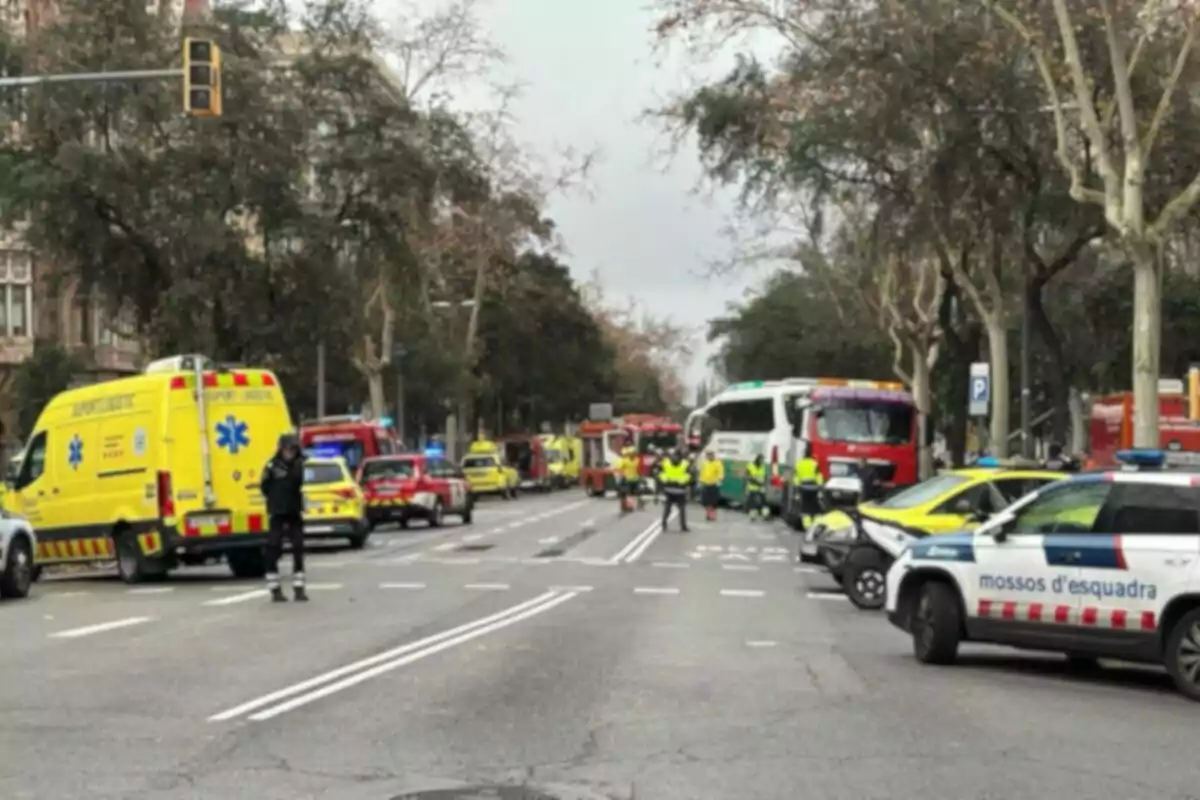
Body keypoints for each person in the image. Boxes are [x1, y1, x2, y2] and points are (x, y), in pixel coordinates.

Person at [261, 432, 307, 603]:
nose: (290, 452)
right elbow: (264, 487)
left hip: (294, 512)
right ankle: (275, 589)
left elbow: (301, 484)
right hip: (278, 512)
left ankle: (299, 589)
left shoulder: (300, 464)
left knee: (298, 547)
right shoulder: (272, 466)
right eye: (288, 449)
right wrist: (275, 501)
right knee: (273, 548)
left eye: (293, 449)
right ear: (281, 449)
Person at [658, 447, 691, 532]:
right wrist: (665, 480)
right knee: (668, 508)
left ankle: (682, 526)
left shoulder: (685, 464)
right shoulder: (666, 463)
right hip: (670, 489)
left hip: (679, 490)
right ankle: (664, 523)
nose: (674, 458)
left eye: (676, 456)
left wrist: (683, 482)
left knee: (681, 509)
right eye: (673, 456)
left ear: (680, 457)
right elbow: (660, 473)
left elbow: (689, 475)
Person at [793, 442, 824, 530]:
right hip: (814, 489)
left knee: (805, 508)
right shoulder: (814, 463)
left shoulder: (799, 464)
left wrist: (797, 492)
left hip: (803, 489)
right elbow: (819, 477)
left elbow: (796, 479)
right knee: (816, 508)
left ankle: (807, 527)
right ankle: (816, 526)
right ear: (811, 455)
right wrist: (820, 490)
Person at [698, 450, 725, 522]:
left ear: (713, 456)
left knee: (713, 502)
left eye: (711, 455)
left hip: (714, 485)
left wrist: (720, 480)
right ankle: (708, 514)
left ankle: (711, 515)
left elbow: (720, 473)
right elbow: (702, 473)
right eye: (708, 455)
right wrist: (700, 481)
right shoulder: (704, 463)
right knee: (705, 502)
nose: (709, 456)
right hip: (705, 484)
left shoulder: (717, 464)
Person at [744, 453, 767, 521]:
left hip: (761, 487)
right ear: (758, 459)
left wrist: (764, 483)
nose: (762, 461)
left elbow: (764, 476)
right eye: (761, 460)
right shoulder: (750, 466)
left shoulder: (762, 466)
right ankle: (752, 516)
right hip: (752, 487)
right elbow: (748, 477)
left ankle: (765, 514)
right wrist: (757, 483)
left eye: (763, 460)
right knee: (752, 503)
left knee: (764, 502)